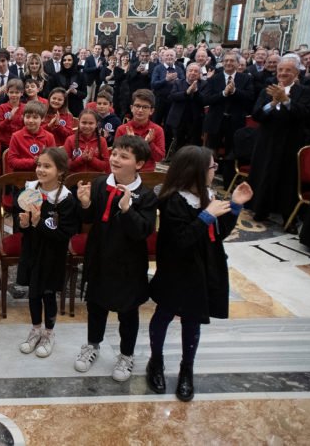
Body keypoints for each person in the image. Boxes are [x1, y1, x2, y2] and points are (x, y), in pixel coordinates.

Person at [147, 146, 252, 401]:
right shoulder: (173, 200)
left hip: (201, 271)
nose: (215, 170)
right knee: (164, 314)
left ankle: (187, 368)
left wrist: (235, 206)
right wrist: (206, 215)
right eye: (212, 167)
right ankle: (156, 362)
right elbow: (182, 239)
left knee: (192, 320)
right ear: (195, 171)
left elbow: (217, 234)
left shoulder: (209, 195)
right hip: (176, 271)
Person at [73, 135, 157, 382]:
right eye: (114, 153)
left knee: (128, 312)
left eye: (124, 156)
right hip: (99, 257)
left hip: (128, 265)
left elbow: (143, 231)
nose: (115, 159)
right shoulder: (100, 184)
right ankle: (92, 345)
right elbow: (87, 220)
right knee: (96, 306)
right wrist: (85, 204)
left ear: (139, 164)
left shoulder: (146, 195)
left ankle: (126, 355)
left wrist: (127, 210)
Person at [17, 148, 79, 357]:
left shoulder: (65, 199)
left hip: (52, 254)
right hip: (31, 250)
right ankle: (35, 330)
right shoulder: (30, 189)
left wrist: (38, 223)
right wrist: (25, 224)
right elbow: (22, 223)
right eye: (39, 165)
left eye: (47, 166)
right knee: (33, 292)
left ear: (60, 171)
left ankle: (49, 333)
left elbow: (64, 233)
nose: (40, 170)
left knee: (48, 293)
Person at [248, 58, 310, 226]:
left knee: (287, 178)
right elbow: (256, 114)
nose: (283, 73)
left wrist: (285, 99)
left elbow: (305, 114)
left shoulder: (304, 91)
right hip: (266, 140)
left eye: (288, 70)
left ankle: (287, 216)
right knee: (264, 174)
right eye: (281, 70)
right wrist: (273, 102)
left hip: (290, 142)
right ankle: (261, 209)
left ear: (296, 73)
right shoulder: (267, 90)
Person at [116, 89, 165, 172]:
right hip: (125, 172)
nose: (140, 110)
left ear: (151, 111)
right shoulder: (122, 129)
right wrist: (130, 142)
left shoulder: (157, 130)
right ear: (131, 108)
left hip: (147, 174)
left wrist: (150, 143)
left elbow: (159, 158)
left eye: (145, 107)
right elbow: (117, 156)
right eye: (137, 106)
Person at [6, 101, 55, 172]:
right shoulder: (16, 136)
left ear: (42, 119)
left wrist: (43, 162)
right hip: (21, 176)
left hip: (43, 175)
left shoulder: (49, 137)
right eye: (28, 117)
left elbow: (53, 160)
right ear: (23, 117)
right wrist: (33, 162)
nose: (31, 120)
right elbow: (11, 161)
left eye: (35, 117)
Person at [0, 79, 26, 149]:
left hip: (22, 142)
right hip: (6, 144)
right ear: (7, 92)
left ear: (22, 93)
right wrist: (8, 119)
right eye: (11, 92)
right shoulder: (2, 107)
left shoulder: (25, 108)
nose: (14, 95)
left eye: (17, 92)